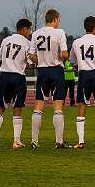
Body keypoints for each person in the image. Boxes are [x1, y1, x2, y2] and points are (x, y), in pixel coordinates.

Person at [0, 19, 32, 149]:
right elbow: (31, 61)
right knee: (18, 107)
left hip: (4, 75)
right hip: (18, 77)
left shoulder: (5, 40)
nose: (30, 32)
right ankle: (16, 141)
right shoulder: (27, 43)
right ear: (24, 29)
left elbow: (0, 58)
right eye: (29, 29)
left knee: (0, 107)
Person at [29, 9, 70, 149]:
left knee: (38, 105)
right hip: (56, 71)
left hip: (42, 71)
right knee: (57, 107)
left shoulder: (35, 33)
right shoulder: (59, 32)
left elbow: (31, 56)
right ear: (56, 19)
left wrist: (40, 59)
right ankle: (59, 141)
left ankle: (34, 141)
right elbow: (64, 55)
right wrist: (64, 56)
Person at [70, 16, 95, 149]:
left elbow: (72, 61)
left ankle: (81, 141)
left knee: (82, 105)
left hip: (83, 74)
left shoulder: (77, 42)